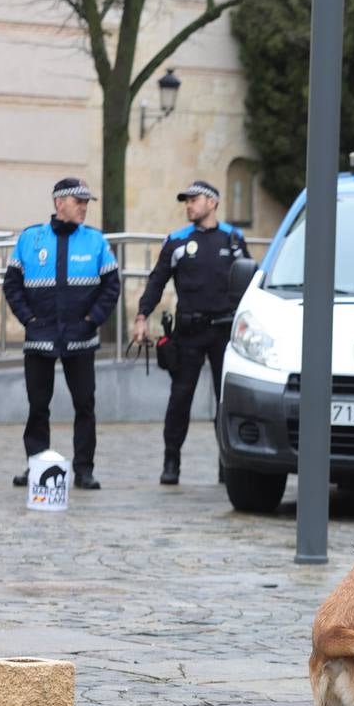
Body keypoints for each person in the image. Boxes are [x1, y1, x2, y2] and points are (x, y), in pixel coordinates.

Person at [3, 178, 120, 490]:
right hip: (40, 339)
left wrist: (92, 320)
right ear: (59, 203)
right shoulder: (30, 239)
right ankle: (37, 466)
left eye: (86, 202)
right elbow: (12, 285)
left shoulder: (96, 241)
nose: (84, 207)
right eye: (78, 201)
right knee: (38, 406)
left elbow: (111, 286)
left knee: (85, 405)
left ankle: (84, 470)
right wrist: (28, 318)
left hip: (80, 339)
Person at [131, 181, 249, 485]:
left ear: (212, 202)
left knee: (227, 401)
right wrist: (142, 315)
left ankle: (229, 463)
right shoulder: (177, 241)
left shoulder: (233, 239)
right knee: (180, 398)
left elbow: (249, 284)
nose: (188, 206)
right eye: (186, 201)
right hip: (189, 332)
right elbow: (157, 281)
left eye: (193, 200)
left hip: (225, 333)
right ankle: (171, 461)